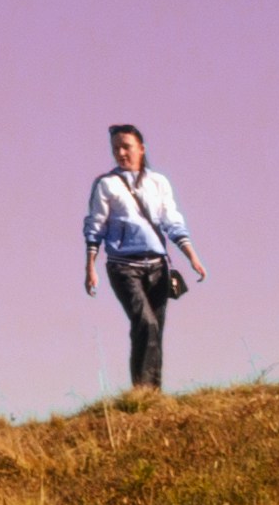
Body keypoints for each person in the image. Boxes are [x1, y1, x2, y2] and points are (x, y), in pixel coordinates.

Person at [81, 125, 205, 394]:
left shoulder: (158, 182)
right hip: (123, 267)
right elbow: (95, 225)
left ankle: (150, 395)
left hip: (158, 266)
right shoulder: (106, 185)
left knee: (154, 330)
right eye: (116, 148)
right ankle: (143, 392)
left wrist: (191, 256)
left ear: (141, 148)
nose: (121, 153)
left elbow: (172, 220)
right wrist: (90, 266)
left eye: (126, 146)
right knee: (145, 323)